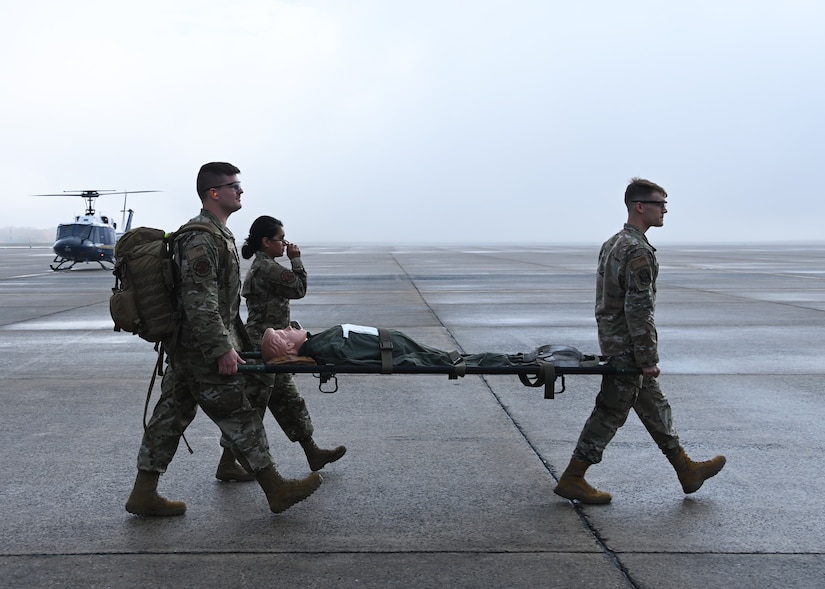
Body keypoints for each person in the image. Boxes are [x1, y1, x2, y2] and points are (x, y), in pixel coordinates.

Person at [125, 162, 322, 517]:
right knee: (239, 415)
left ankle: (144, 492)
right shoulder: (201, 238)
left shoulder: (217, 234)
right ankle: (275, 488)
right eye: (234, 186)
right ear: (214, 193)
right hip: (202, 348)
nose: (241, 191)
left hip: (189, 346)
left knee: (170, 417)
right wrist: (221, 348)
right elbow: (199, 301)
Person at [553, 178, 726, 505]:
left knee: (654, 406)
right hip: (628, 349)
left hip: (615, 341)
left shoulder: (613, 243)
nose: (665, 210)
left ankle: (686, 469)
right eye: (660, 203)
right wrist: (647, 357)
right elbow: (638, 308)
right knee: (610, 412)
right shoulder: (636, 250)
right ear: (639, 206)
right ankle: (573, 477)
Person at [214, 215, 346, 482]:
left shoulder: (265, 265)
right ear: (265, 242)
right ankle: (228, 462)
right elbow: (299, 288)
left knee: (288, 399)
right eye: (280, 239)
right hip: (264, 346)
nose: (285, 244)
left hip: (276, 346)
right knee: (253, 404)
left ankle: (313, 452)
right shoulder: (267, 268)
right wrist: (296, 260)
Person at [260, 323, 580, 368]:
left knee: (455, 358)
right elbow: (360, 359)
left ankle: (517, 359)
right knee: (457, 362)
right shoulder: (320, 348)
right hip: (399, 352)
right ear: (289, 349)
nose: (291, 327)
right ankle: (519, 362)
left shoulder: (318, 342)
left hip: (398, 343)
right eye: (286, 332)